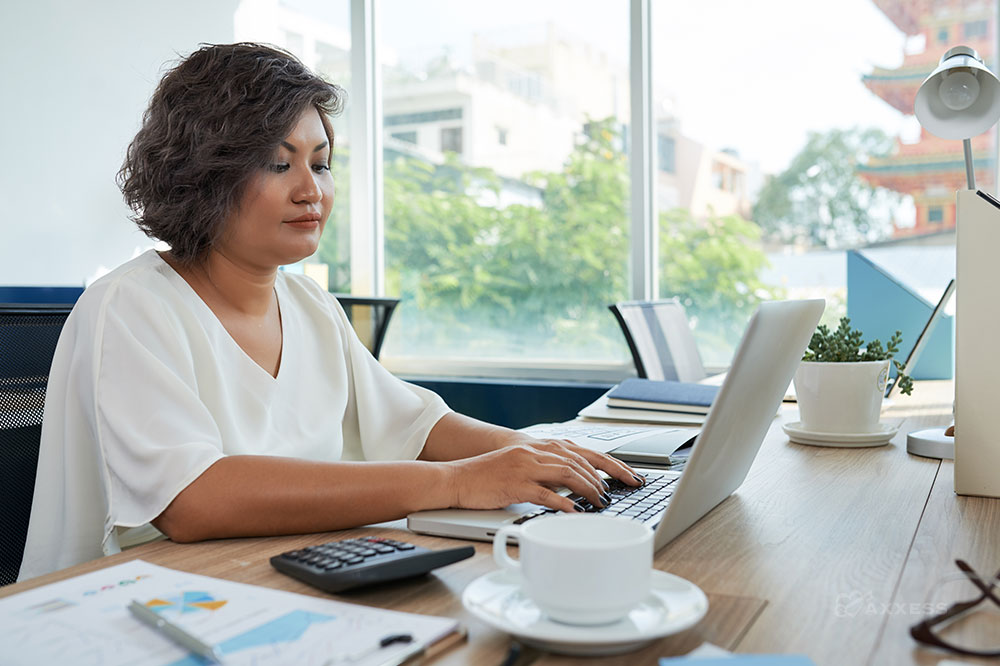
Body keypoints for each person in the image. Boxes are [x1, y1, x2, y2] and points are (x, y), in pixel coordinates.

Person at [18, 43, 641, 581]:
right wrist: (457, 482)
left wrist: (542, 457)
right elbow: (193, 499)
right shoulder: (131, 306)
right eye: (277, 162)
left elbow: (417, 425)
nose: (310, 190)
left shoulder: (308, 301)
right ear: (200, 174)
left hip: (275, 579)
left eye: (320, 163)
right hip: (133, 604)